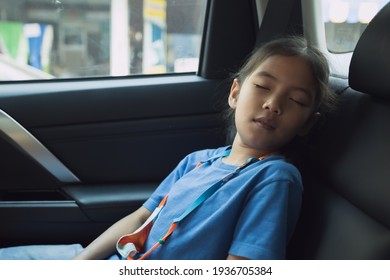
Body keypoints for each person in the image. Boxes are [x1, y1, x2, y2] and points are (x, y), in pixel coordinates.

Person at [0, 36, 337, 260]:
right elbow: (140, 217)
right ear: (235, 93)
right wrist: (80, 262)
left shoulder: (275, 177)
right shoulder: (198, 162)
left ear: (307, 123)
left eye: (294, 101)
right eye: (263, 86)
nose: (272, 105)